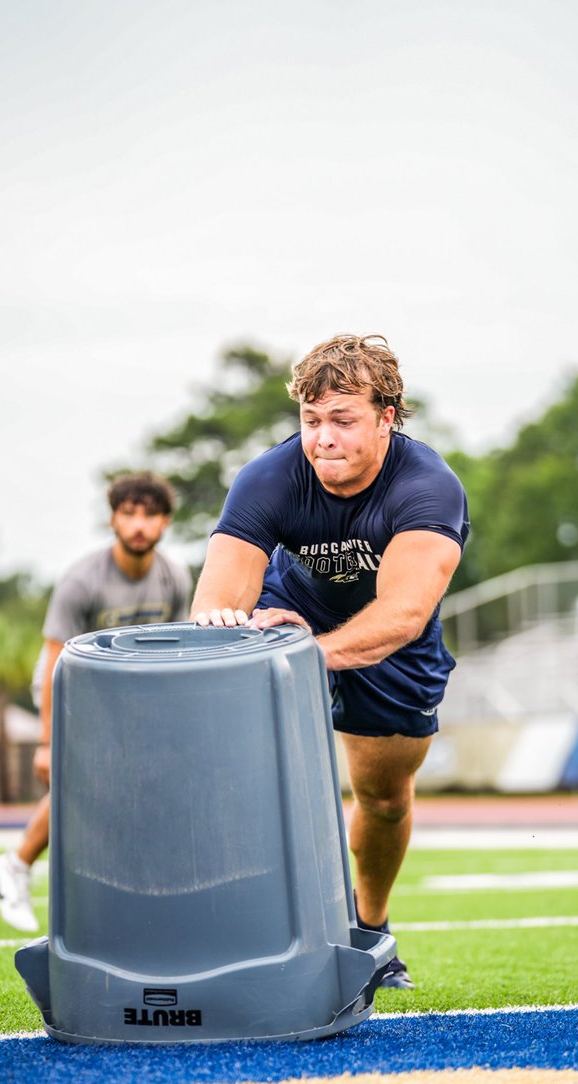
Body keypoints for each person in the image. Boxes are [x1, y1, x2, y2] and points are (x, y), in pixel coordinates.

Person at [191, 333, 469, 988]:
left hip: (392, 644)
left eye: (342, 420)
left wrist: (304, 653)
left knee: (383, 796)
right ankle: (232, 924)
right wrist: (236, 634)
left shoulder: (429, 486)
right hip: (289, 608)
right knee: (235, 772)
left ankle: (369, 931)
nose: (323, 438)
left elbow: (400, 616)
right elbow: (215, 601)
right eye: (311, 421)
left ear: (386, 419)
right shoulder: (268, 477)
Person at [0, 471, 192, 932]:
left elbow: (177, 649)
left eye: (150, 515)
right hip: (70, 683)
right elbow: (55, 658)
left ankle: (109, 888)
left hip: (127, 689)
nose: (139, 525)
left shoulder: (174, 575)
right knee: (82, 783)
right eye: (129, 514)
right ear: (113, 521)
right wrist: (46, 741)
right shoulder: (82, 579)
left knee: (130, 786)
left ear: (165, 522)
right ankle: (16, 864)